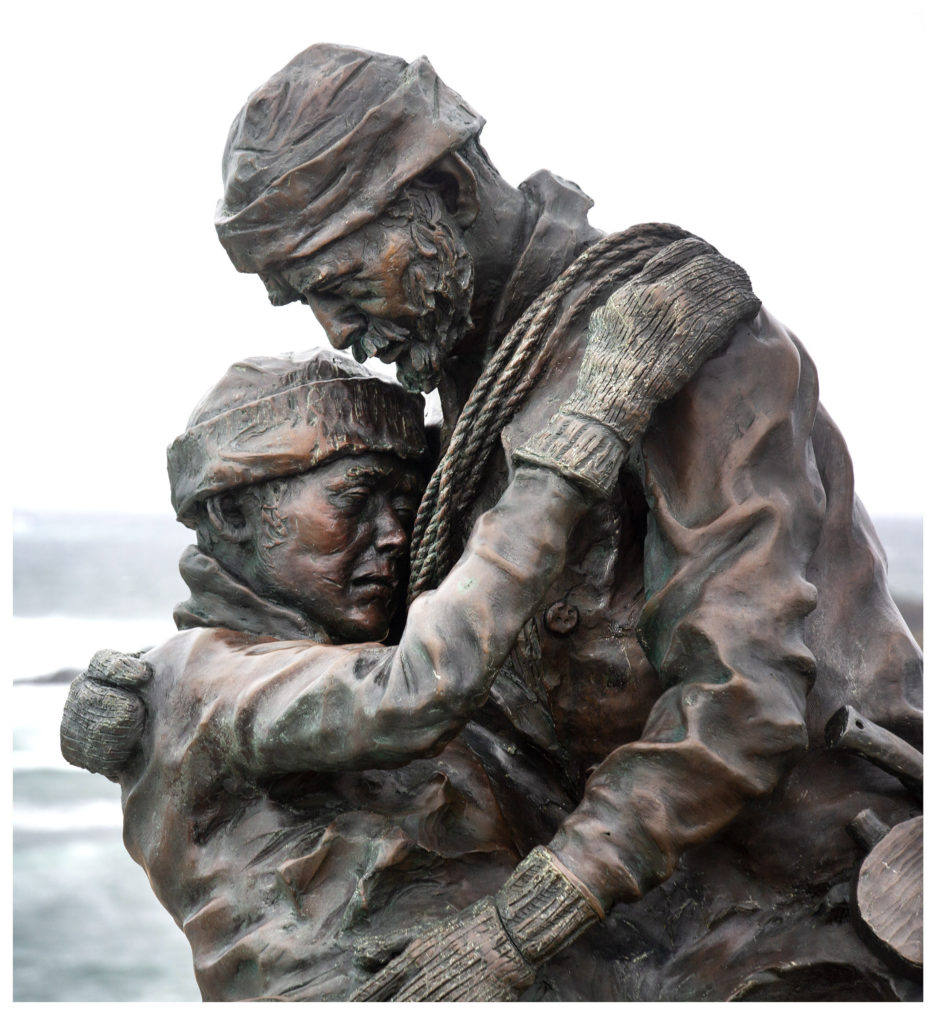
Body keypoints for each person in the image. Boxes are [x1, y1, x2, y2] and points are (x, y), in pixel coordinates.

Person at [66, 45, 922, 1001]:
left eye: (342, 286)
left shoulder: (665, 340)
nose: (337, 334)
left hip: (785, 893)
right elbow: (365, 636)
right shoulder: (469, 389)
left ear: (446, 193)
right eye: (308, 304)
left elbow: (744, 703)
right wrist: (157, 705)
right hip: (634, 888)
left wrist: (521, 926)